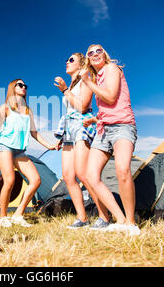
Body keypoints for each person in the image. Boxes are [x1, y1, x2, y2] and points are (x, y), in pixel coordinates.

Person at [81, 44, 140, 235]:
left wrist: (88, 83)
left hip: (123, 126)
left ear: (104, 54)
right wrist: (95, 118)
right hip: (103, 129)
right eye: (90, 53)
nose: (95, 54)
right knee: (91, 176)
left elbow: (112, 97)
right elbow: (109, 107)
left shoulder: (111, 69)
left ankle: (130, 223)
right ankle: (120, 219)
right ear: (88, 60)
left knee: (122, 170)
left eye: (99, 50)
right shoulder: (98, 78)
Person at [0, 79, 56, 227]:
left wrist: (49, 145)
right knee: (10, 180)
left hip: (19, 150)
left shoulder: (27, 111)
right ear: (13, 87)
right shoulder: (5, 108)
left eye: (25, 85)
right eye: (20, 85)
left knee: (36, 180)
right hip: (4, 146)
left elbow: (34, 133)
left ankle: (18, 214)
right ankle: (3, 217)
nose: (24, 87)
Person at [53, 53, 111, 230]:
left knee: (82, 173)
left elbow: (83, 106)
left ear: (81, 64)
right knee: (68, 175)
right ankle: (82, 218)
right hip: (68, 128)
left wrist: (64, 90)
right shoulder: (72, 84)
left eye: (71, 60)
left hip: (81, 125)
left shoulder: (85, 80)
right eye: (66, 59)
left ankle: (104, 216)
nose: (66, 62)